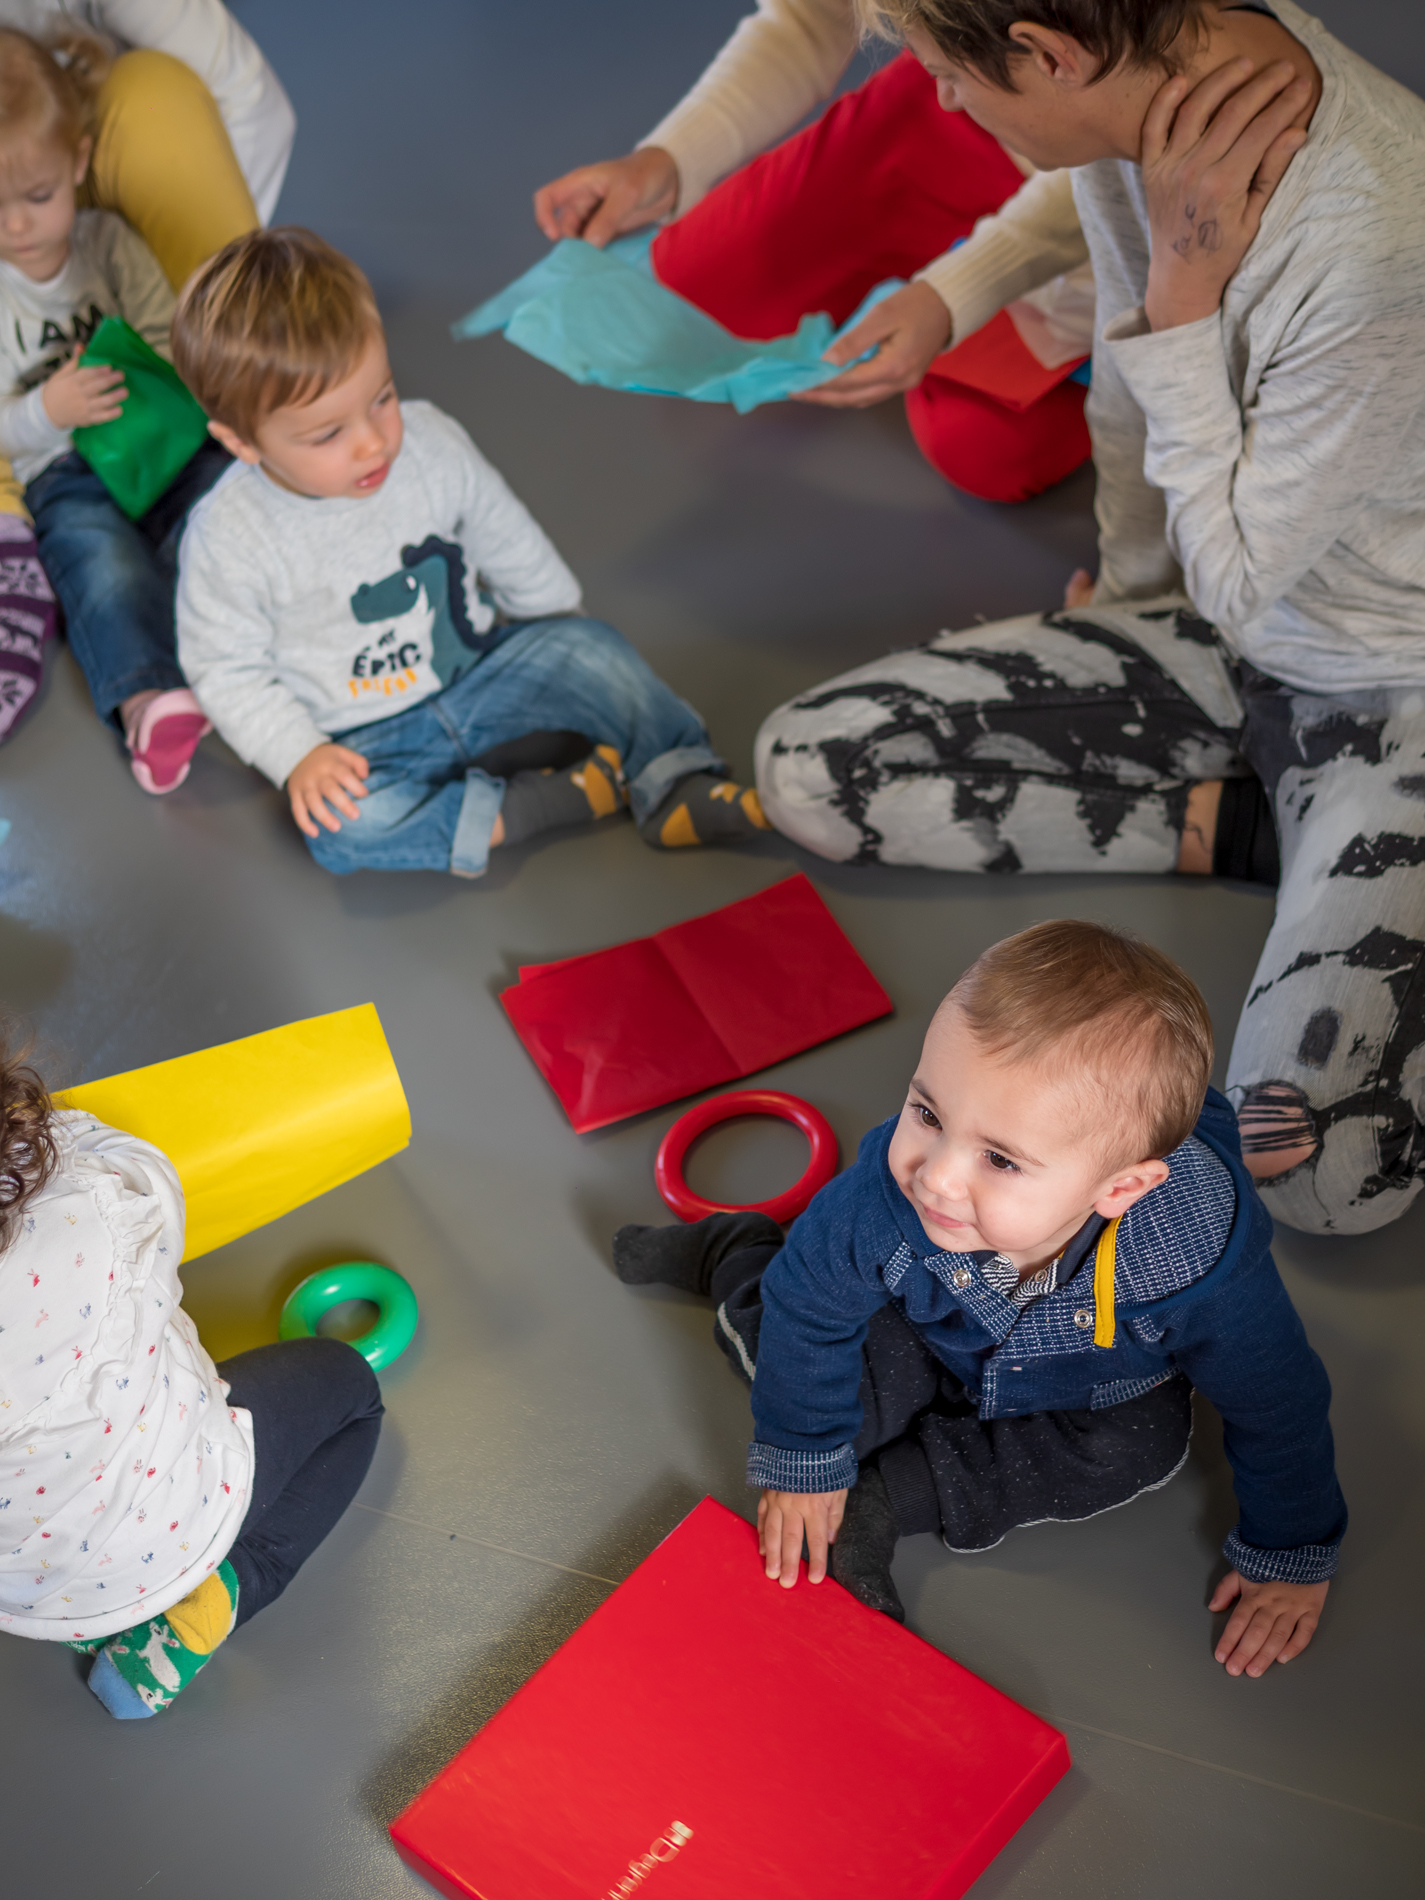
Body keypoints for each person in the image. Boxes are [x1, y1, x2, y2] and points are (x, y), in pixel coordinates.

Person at [752, 0, 1425, 1239]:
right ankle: (1248, 835)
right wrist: (956, 296)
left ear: (1048, 53)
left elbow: (1231, 578)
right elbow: (1105, 240)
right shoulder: (1163, 86)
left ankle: (1337, 831)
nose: (945, 101)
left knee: (1321, 1171)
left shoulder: (1372, 241)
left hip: (1386, 686)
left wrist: (1181, 308)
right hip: (1226, 628)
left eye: (950, 73)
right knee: (808, 772)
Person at [615, 921, 1346, 1677]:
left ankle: (886, 1502)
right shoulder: (890, 1197)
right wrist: (803, 1452)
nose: (934, 1177)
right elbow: (812, 1305)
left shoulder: (1198, 1262)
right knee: (803, 1373)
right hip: (924, 1330)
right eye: (928, 1112)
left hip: (1085, 1382)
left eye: (998, 1159)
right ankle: (736, 1257)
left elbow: (1278, 1405)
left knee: (1138, 1445)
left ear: (1119, 1188)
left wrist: (1291, 1547)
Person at [172, 228, 770, 876]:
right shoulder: (230, 536)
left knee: (597, 651)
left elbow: (499, 529)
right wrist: (298, 754)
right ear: (241, 443)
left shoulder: (431, 442)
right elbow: (225, 668)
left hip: (479, 674)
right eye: (328, 434)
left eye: (382, 398)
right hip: (361, 738)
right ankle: (542, 803)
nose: (373, 443)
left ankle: (673, 780)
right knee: (342, 830)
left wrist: (555, 624)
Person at [533, 0, 1095, 505]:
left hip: (1086, 158)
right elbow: (808, 19)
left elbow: (1116, 155)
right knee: (694, 293)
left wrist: (953, 293)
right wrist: (668, 157)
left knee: (985, 452)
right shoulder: (951, 87)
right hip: (968, 92)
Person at [0, 1035, 384, 1718]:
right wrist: (51, 1137)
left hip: (23, 1589)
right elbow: (147, 1173)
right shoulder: (87, 1208)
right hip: (160, 1526)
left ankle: (107, 1603)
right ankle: (206, 1607)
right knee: (352, 1392)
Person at [0, 0, 293, 743]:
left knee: (220, 503)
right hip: (59, 469)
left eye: (37, 198)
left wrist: (138, 363)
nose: (16, 227)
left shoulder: (108, 242)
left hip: (151, 432)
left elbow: (168, 330)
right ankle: (147, 702)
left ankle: (286, 617)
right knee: (102, 568)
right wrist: (48, 410)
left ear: (79, 164)